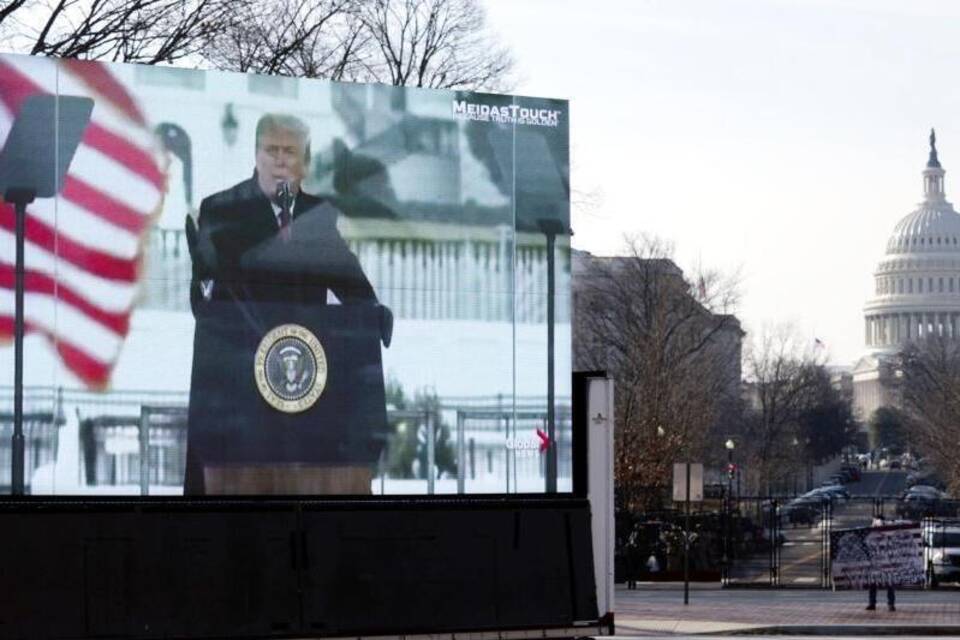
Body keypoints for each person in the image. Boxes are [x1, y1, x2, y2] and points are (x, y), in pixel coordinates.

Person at [183, 113, 390, 495]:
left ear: (305, 163)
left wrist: (373, 312)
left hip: (301, 390)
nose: (280, 160)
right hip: (241, 389)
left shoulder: (317, 216)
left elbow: (347, 277)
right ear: (256, 155)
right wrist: (206, 279)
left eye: (290, 152)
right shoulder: (222, 209)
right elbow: (205, 298)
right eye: (272, 150)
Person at [867, 515, 896, 611]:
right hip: (875, 563)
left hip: (886, 563)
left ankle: (891, 604)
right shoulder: (870, 536)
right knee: (873, 583)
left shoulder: (888, 536)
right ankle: (872, 603)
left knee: (889, 583)